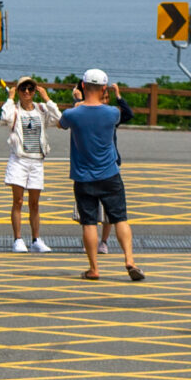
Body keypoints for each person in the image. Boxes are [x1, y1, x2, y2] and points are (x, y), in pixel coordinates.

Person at [59, 69, 142, 281]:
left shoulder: (72, 114)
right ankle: (129, 260)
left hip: (83, 176)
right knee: (120, 218)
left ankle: (94, 268)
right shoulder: (112, 113)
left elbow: (62, 123)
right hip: (110, 174)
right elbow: (119, 113)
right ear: (104, 88)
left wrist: (77, 102)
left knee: (89, 222)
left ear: (83, 86)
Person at [1, 77, 58, 252]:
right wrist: (10, 99)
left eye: (30, 88)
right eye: (23, 89)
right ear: (18, 91)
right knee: (18, 201)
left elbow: (58, 118)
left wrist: (47, 99)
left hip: (37, 161)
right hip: (19, 160)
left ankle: (36, 239)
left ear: (35, 91)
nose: (27, 92)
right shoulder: (15, 111)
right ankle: (18, 239)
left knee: (35, 203)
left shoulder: (41, 110)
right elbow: (5, 117)